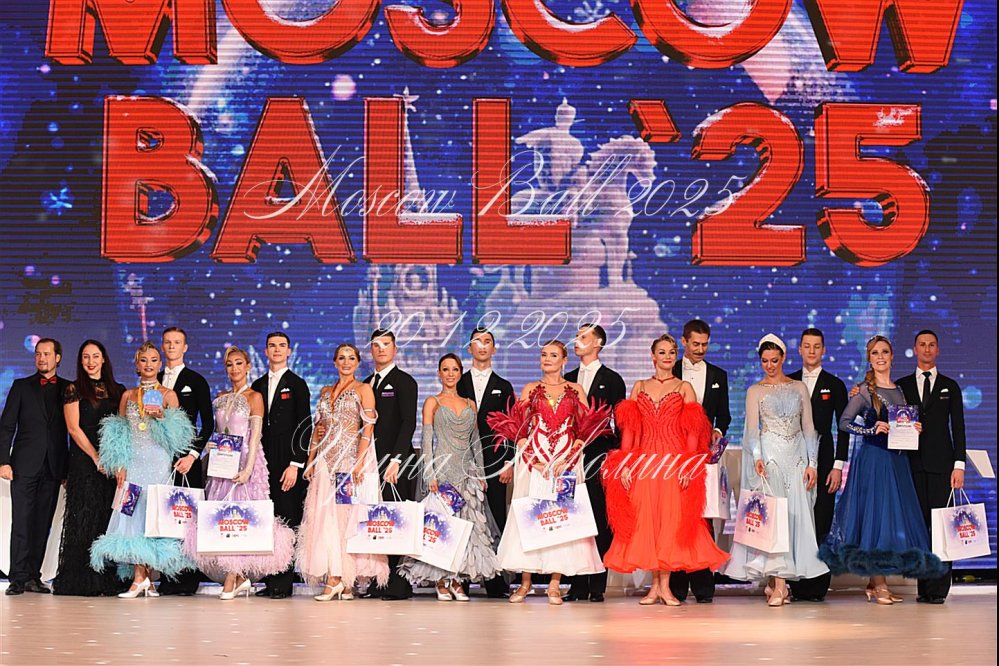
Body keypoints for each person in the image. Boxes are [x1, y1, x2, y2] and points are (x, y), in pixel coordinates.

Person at [603, 334, 729, 605]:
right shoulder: (639, 386)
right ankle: (654, 588)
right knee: (648, 522)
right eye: (662, 352)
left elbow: (693, 432)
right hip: (646, 463)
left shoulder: (684, 387)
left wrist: (689, 464)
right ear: (653, 356)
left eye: (671, 352)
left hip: (673, 462)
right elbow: (630, 431)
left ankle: (666, 587)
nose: (668, 357)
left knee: (670, 523)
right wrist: (625, 463)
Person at [821, 335, 946, 603]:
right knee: (876, 520)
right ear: (869, 358)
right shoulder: (865, 391)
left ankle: (874, 581)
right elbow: (844, 422)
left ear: (892, 356)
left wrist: (915, 428)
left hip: (897, 462)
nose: (880, 357)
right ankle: (879, 585)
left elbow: (903, 423)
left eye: (885, 352)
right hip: (875, 461)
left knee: (888, 523)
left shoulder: (899, 390)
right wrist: (870, 429)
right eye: (875, 353)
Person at [488, 340, 610, 606]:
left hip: (566, 462)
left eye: (553, 355)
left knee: (561, 521)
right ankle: (525, 583)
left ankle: (555, 583)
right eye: (543, 354)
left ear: (564, 360)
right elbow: (518, 428)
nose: (547, 359)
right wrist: (534, 459)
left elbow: (586, 427)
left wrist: (571, 455)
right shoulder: (531, 389)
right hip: (535, 461)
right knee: (530, 518)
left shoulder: (575, 390)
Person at [722, 335, 829, 606]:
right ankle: (780, 585)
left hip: (797, 459)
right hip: (770, 459)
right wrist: (758, 457)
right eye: (764, 361)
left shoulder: (799, 387)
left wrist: (813, 464)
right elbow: (752, 430)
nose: (769, 365)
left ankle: (774, 584)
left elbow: (808, 428)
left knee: (794, 518)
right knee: (775, 520)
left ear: (783, 358)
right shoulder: (755, 391)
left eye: (774, 360)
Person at [182, 346, 295, 599]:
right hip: (223, 463)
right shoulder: (221, 397)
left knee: (242, 517)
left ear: (248, 366)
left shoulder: (254, 397)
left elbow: (255, 437)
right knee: (224, 518)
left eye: (239, 363)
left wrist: (248, 469)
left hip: (245, 461)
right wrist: (210, 448)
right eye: (229, 364)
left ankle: (232, 577)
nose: (234, 368)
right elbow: (218, 431)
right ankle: (239, 577)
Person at [90, 341, 194, 598]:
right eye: (143, 360)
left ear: (160, 364)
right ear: (137, 364)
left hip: (158, 463)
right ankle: (141, 577)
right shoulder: (128, 396)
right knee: (132, 514)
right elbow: (120, 433)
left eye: (153, 360)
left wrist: (161, 417)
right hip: (134, 464)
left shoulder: (168, 395)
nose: (148, 364)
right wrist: (120, 464)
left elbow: (179, 438)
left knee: (152, 516)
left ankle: (143, 578)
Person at [400, 354, 501, 599]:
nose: (450, 374)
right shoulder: (432, 402)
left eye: (454, 369)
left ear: (460, 372)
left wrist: (481, 473)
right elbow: (426, 441)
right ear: (439, 373)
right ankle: (440, 580)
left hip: (467, 473)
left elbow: (476, 442)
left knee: (466, 528)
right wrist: (429, 474)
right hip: (442, 471)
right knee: (442, 527)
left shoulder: (470, 404)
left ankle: (456, 579)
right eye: (445, 369)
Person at [297, 343, 387, 601]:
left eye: (351, 358)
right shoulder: (325, 392)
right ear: (335, 362)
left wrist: (359, 463)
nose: (346, 362)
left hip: (349, 462)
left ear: (358, 362)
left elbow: (368, 429)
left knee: (345, 522)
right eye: (341, 358)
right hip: (325, 463)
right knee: (325, 520)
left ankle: (339, 578)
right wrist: (310, 460)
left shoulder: (364, 390)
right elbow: (318, 428)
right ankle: (340, 581)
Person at [897, 330, 966, 604]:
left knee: (942, 527)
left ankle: (938, 589)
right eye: (922, 344)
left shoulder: (950, 386)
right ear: (915, 349)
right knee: (919, 527)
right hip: (911, 466)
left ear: (938, 349)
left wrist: (959, 465)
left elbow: (958, 428)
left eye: (931, 345)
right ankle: (923, 587)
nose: (927, 349)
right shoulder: (902, 386)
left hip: (942, 468)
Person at [53, 340, 126, 596]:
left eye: (95, 356)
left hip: (111, 463)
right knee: (83, 519)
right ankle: (81, 581)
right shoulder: (74, 389)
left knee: (106, 519)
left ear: (104, 359)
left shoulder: (118, 390)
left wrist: (116, 461)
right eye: (86, 357)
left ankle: (105, 579)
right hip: (85, 461)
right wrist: (96, 458)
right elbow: (74, 429)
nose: (91, 362)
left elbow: (122, 428)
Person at [1, 338, 70, 595]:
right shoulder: (21, 386)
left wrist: (66, 469)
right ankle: (17, 578)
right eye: (38, 354)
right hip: (24, 465)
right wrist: (3, 461)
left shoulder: (68, 388)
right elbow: (7, 426)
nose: (42, 358)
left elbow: (72, 430)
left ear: (57, 358)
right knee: (21, 522)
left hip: (53, 467)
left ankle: (33, 576)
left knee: (42, 524)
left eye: (47, 354)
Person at [562, 323, 626, 603]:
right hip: (569, 456)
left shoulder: (612, 379)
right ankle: (576, 583)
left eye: (584, 337)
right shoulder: (567, 378)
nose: (577, 340)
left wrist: (617, 456)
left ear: (598, 343)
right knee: (573, 516)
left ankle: (598, 583)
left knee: (599, 517)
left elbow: (620, 423)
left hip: (599, 453)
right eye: (577, 336)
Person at [786, 328, 849, 602]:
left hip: (824, 457)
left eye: (817, 346)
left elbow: (844, 427)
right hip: (792, 457)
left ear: (824, 350)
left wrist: (838, 466)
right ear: (799, 349)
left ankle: (818, 585)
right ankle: (795, 583)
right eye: (807, 346)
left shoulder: (834, 384)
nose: (811, 351)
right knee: (795, 519)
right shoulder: (787, 381)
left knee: (821, 518)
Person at [670, 319, 731, 603]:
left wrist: (718, 431)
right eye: (695, 344)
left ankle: (704, 585)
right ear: (683, 342)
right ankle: (677, 584)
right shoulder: (670, 371)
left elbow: (724, 415)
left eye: (705, 344)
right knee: (676, 516)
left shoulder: (718, 374)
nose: (700, 349)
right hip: (673, 454)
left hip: (704, 456)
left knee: (703, 517)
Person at [250, 332, 312, 599]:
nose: (277, 350)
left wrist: (296, 464)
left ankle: (284, 581)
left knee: (287, 519)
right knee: (267, 518)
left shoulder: (297, 384)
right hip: (263, 461)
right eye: (272, 346)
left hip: (288, 461)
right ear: (266, 351)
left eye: (282, 346)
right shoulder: (257, 385)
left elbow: (305, 426)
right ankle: (269, 577)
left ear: (289, 351)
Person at [456, 327, 515, 598]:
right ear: (469, 348)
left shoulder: (504, 386)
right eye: (477, 342)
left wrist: (509, 462)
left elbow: (512, 426)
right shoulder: (458, 382)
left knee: (496, 516)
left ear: (494, 348)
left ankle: (496, 581)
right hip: (462, 460)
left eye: (487, 341)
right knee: (463, 517)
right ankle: (463, 577)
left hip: (494, 461)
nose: (482, 346)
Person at [157, 326, 214, 596]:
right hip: (158, 458)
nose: (172, 346)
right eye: (167, 342)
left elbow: (208, 423)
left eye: (177, 342)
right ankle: (166, 575)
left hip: (185, 460)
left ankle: (187, 578)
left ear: (185, 347)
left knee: (185, 517)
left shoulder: (196, 380)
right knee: (162, 514)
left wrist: (193, 455)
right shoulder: (154, 379)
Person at [362, 328, 419, 600]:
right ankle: (378, 578)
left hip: (396, 463)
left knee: (396, 519)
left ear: (395, 349)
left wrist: (396, 460)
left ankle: (398, 583)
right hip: (369, 463)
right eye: (376, 345)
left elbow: (408, 423)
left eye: (386, 344)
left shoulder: (404, 382)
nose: (381, 349)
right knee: (375, 520)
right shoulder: (364, 384)